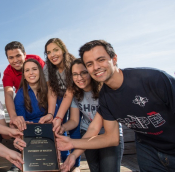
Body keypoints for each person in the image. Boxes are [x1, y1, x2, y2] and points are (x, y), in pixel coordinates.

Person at [56, 40, 175, 172]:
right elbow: (103, 133)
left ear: (114, 58)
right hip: (147, 149)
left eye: (101, 59)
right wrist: (73, 152)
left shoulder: (154, 79)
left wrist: (72, 144)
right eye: (90, 64)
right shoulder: (106, 98)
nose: (95, 67)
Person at [56, 58, 124, 172]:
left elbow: (95, 127)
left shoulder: (104, 90)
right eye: (75, 74)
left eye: (83, 72)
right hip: (86, 131)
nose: (79, 78)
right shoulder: (76, 93)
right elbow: (74, 120)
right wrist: (62, 127)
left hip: (109, 132)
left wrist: (73, 153)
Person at [40, 38, 81, 171]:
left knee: (75, 128)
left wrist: (58, 117)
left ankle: (75, 164)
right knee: (57, 126)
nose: (53, 54)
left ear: (63, 49)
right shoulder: (47, 67)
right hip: (59, 97)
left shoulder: (72, 63)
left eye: (56, 50)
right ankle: (63, 160)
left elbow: (70, 93)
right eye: (49, 52)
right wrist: (52, 114)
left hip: (76, 96)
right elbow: (51, 92)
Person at [2, 41, 45, 131]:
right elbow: (8, 93)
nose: (15, 60)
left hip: (43, 95)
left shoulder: (36, 59)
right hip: (25, 99)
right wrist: (13, 116)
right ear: (8, 59)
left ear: (25, 54)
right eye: (11, 58)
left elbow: (49, 81)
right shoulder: (8, 73)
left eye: (18, 55)